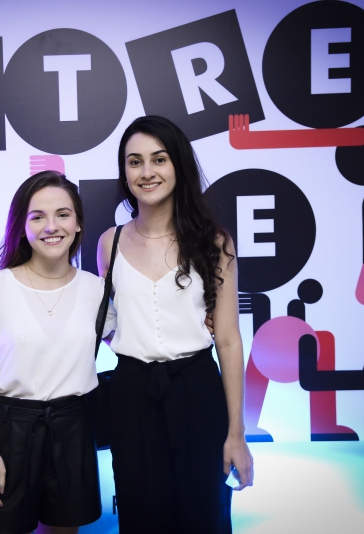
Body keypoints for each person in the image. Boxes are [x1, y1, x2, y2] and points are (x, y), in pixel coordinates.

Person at [97, 115, 253, 533]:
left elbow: (228, 340)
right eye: (135, 162)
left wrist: (236, 433)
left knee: (205, 517)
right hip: (131, 396)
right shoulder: (109, 242)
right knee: (141, 519)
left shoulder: (214, 242)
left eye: (159, 159)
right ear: (124, 172)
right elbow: (109, 322)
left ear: (178, 165)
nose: (146, 172)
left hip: (198, 392)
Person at [0, 171, 109, 534]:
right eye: (37, 216)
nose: (51, 226)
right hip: (6, 432)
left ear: (78, 223)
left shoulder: (96, 290)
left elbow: (139, 343)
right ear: (22, 227)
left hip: (73, 429)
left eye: (63, 214)